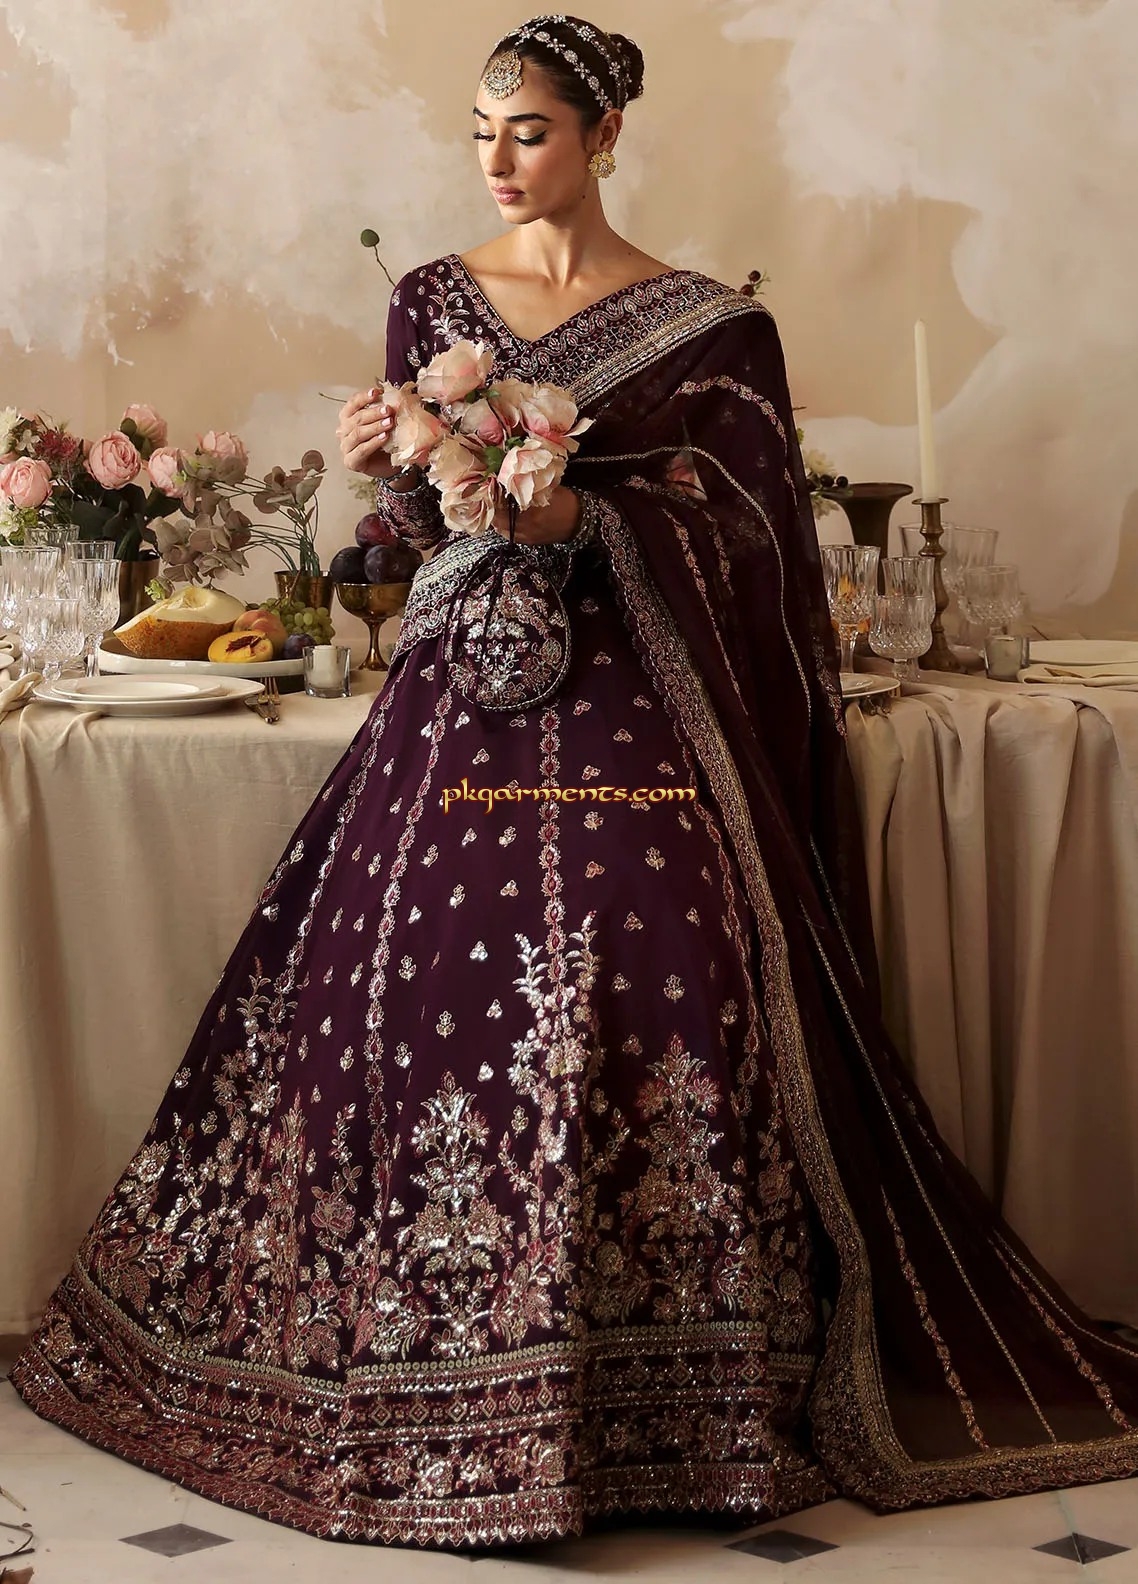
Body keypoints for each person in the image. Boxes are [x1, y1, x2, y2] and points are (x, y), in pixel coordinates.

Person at [12, 12, 1138, 1553]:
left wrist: (581, 524)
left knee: (660, 935)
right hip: (467, 684)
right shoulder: (429, 298)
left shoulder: (711, 328)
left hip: (645, 685)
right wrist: (404, 466)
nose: (497, 159)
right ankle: (407, 1355)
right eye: (479, 132)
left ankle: (675, 1386)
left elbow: (748, 533)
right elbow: (414, 537)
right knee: (395, 957)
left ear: (603, 136)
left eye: (528, 130)